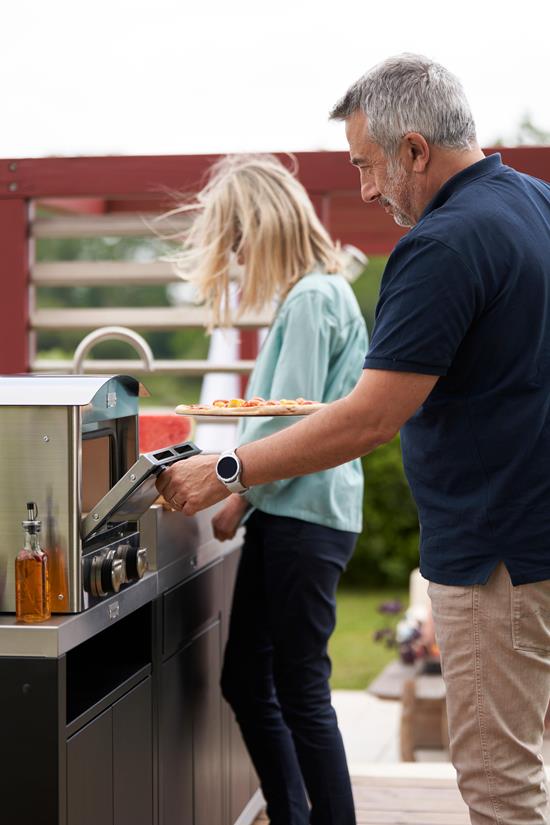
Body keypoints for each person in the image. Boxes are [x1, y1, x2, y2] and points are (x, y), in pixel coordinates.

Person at [158, 55, 550, 825]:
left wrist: (229, 468)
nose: (366, 189)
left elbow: (370, 415)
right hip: (534, 536)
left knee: (502, 791)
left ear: (414, 150)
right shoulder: (537, 206)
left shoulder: (442, 245)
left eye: (368, 165)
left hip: (498, 553)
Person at [169, 154, 368, 825]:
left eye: (237, 237)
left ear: (264, 223)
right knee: (251, 682)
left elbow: (297, 424)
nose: (238, 254)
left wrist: (236, 495)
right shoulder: (311, 293)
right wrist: (243, 500)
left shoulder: (313, 298)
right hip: (292, 517)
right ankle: (292, 814)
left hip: (303, 521)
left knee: (297, 687)